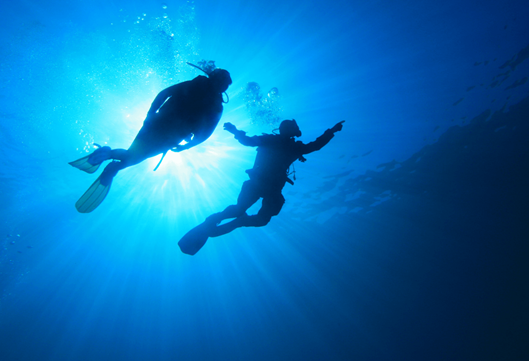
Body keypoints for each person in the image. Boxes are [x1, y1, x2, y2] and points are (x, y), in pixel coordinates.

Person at [69, 65, 232, 213]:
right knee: (135, 158)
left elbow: (164, 94)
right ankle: (111, 161)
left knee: (133, 154)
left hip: (156, 123)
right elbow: (205, 135)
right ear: (224, 87)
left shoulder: (194, 84)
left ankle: (110, 156)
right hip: (171, 136)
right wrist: (185, 147)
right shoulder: (216, 106)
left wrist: (150, 114)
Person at [178, 118, 345, 255]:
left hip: (266, 186)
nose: (296, 129)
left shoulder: (291, 147)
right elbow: (249, 141)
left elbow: (314, 146)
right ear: (289, 129)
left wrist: (331, 131)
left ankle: (231, 221)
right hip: (263, 185)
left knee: (254, 216)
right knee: (244, 212)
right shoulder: (280, 143)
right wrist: (331, 131)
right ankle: (228, 221)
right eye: (294, 127)